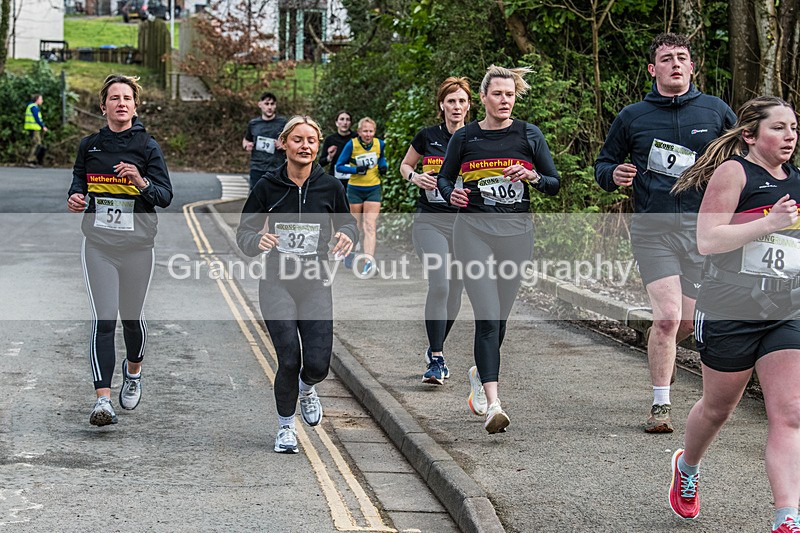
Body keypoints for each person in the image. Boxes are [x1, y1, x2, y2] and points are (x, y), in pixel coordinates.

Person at [667, 96, 800, 531]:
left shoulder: (796, 180)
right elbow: (708, 240)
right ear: (750, 134)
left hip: (785, 309)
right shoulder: (735, 172)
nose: (790, 136)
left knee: (790, 412)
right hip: (730, 306)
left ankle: (787, 517)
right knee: (718, 408)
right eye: (778, 127)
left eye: (794, 128)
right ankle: (687, 468)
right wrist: (767, 223)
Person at [594, 32, 736, 433]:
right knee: (669, 317)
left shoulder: (716, 112)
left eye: (682, 57)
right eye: (666, 58)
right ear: (653, 69)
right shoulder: (633, 117)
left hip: (703, 231)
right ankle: (661, 404)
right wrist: (613, 174)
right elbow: (604, 163)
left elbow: (742, 162)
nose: (675, 63)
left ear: (692, 66)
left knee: (688, 323)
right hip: (653, 230)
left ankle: (665, 360)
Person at [437, 65, 560, 434]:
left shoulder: (529, 135)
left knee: (500, 318)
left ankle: (479, 371)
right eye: (498, 94)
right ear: (484, 98)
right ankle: (494, 405)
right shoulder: (466, 138)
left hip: (516, 234)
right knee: (488, 317)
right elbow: (444, 176)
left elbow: (554, 184)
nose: (505, 100)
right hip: (472, 231)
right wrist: (450, 193)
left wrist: (534, 177)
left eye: (510, 94)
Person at [237, 115, 358, 454]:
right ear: (284, 144)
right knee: (289, 358)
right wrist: (255, 242)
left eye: (311, 141)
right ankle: (286, 428)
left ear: (317, 147)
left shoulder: (330, 187)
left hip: (316, 282)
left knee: (318, 364)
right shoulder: (267, 186)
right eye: (298, 140)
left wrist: (347, 236)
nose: (305, 146)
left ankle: (307, 388)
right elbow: (245, 232)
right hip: (277, 281)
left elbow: (348, 224)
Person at [67, 74, 173, 426]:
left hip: (138, 247)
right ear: (104, 106)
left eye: (127, 98)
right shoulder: (89, 145)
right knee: (104, 319)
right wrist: (76, 196)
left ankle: (134, 371)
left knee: (131, 318)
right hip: (99, 244)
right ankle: (103, 400)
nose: (121, 103)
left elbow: (165, 196)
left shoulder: (147, 147)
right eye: (114, 98)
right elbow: (78, 182)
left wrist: (140, 181)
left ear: (135, 105)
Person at [399, 77, 470, 385]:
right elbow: (405, 166)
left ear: (470, 105)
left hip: (465, 226)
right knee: (440, 285)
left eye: (462, 101)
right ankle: (438, 360)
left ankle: (434, 347)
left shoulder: (477, 138)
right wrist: (415, 177)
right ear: (442, 104)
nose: (456, 106)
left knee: (455, 290)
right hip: (430, 221)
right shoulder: (427, 136)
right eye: (451, 101)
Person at [335, 117, 388, 275]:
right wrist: (356, 170)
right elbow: (339, 165)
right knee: (355, 226)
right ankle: (349, 252)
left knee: (370, 225)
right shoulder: (352, 144)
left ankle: (368, 263)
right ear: (359, 132)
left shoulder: (380, 144)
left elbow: (382, 158)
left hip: (373, 188)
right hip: (355, 189)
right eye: (365, 131)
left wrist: (384, 166)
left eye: (371, 131)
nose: (368, 134)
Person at [243, 92, 288, 189]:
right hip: (257, 167)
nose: (270, 107)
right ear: (260, 105)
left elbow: (291, 142)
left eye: (272, 104)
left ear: (275, 106)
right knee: (256, 199)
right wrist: (247, 145)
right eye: (267, 104)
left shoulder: (283, 123)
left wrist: (283, 145)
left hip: (276, 168)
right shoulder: (253, 123)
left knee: (275, 199)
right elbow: (246, 140)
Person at [319, 110, 357, 188]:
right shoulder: (330, 139)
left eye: (348, 119)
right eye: (342, 119)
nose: (345, 122)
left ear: (350, 123)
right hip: (335, 179)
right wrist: (329, 157)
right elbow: (321, 162)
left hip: (354, 178)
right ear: (336, 123)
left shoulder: (356, 138)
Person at [24, 94, 48, 167]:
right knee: (36, 144)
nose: (42, 101)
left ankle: (33, 160)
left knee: (36, 144)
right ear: (37, 99)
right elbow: (37, 119)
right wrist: (43, 126)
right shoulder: (34, 107)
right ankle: (30, 160)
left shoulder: (31, 106)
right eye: (41, 99)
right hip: (34, 128)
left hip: (33, 128)